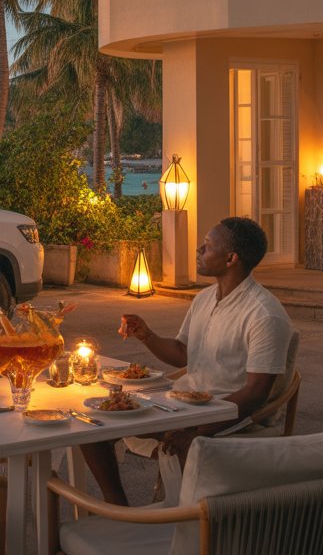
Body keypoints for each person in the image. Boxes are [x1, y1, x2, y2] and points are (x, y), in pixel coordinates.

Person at [81, 216, 293, 504]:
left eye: (207, 245)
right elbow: (182, 353)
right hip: (181, 405)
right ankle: (118, 509)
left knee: (151, 434)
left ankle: (186, 517)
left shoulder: (263, 314)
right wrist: (146, 335)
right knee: (93, 422)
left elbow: (256, 393)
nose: (198, 250)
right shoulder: (205, 298)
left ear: (231, 258)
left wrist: (198, 429)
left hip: (223, 414)